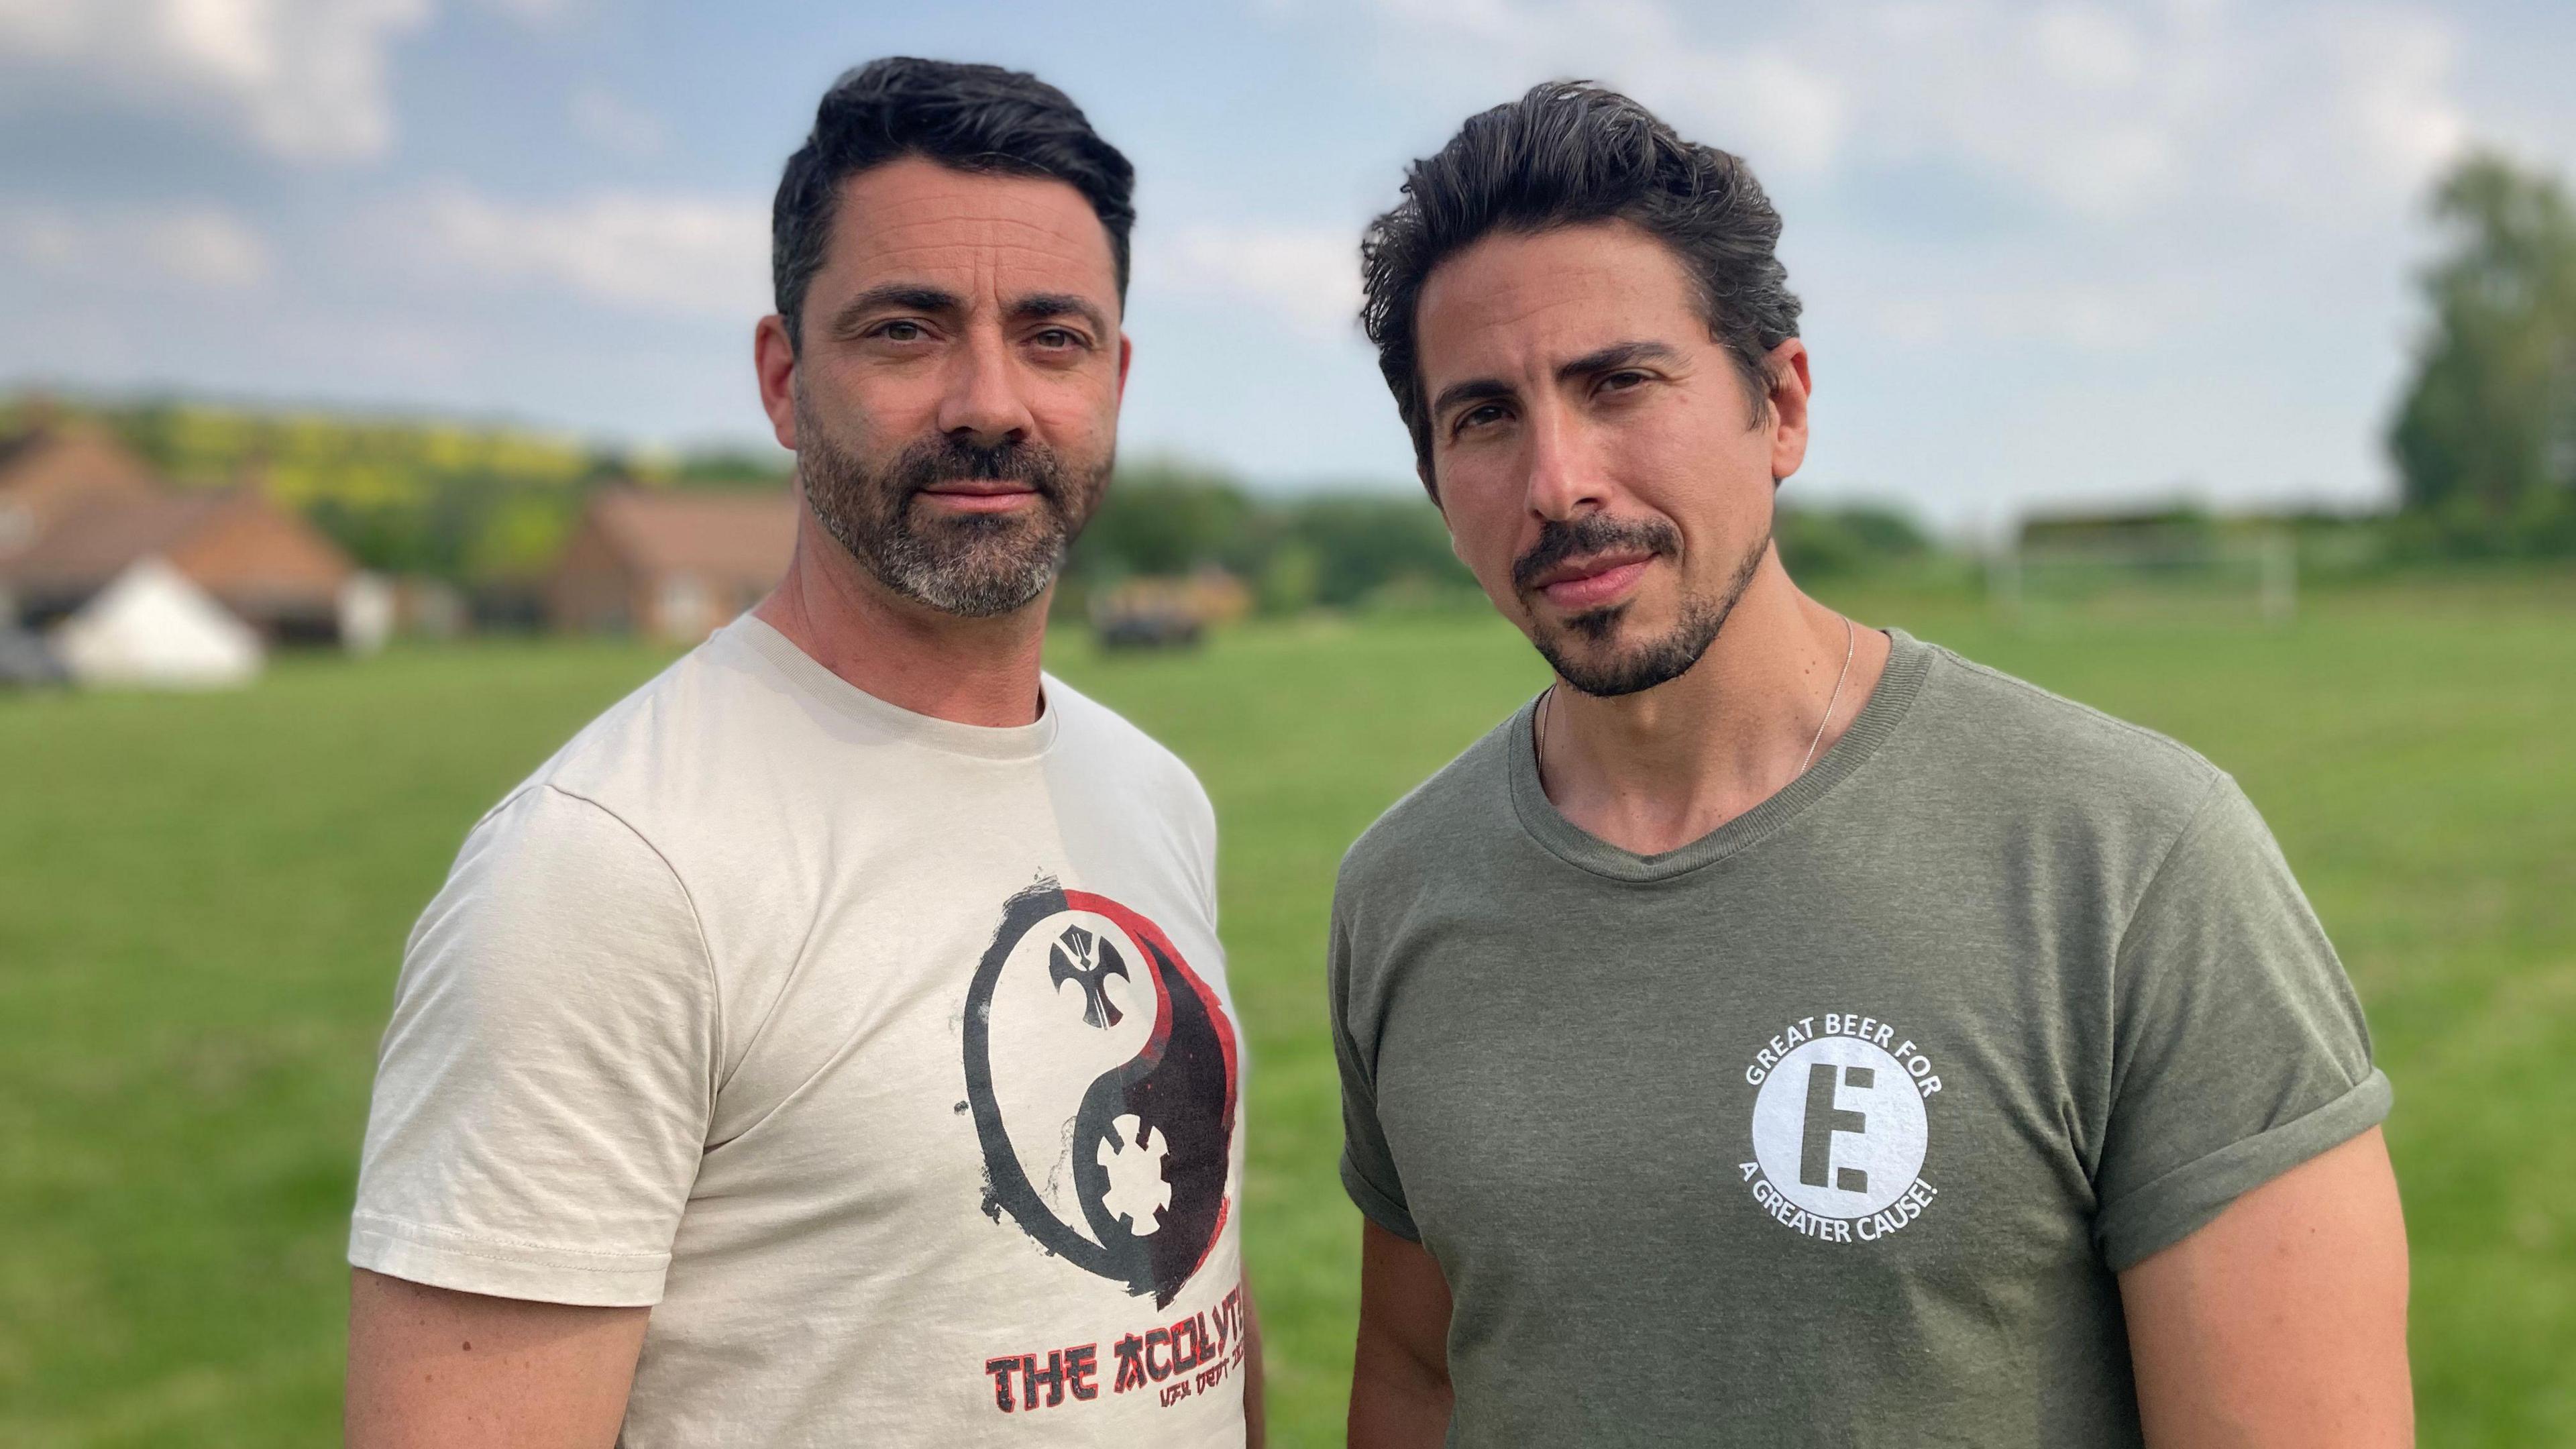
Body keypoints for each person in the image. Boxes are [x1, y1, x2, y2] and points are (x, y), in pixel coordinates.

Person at [1330, 81, 2408, 1447]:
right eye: (1485, 417)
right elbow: (1421, 1377)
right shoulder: (1400, 891)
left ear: (1779, 405)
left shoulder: (2134, 857)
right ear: (1436, 478)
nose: (1559, 480)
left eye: (1621, 384)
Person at [344, 57, 1260, 1448]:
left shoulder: (1154, 795)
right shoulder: (604, 868)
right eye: (907, 330)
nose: (991, 401)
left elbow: (1175, 1327)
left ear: (1115, 379)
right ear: (783, 380)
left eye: (1054, 336)